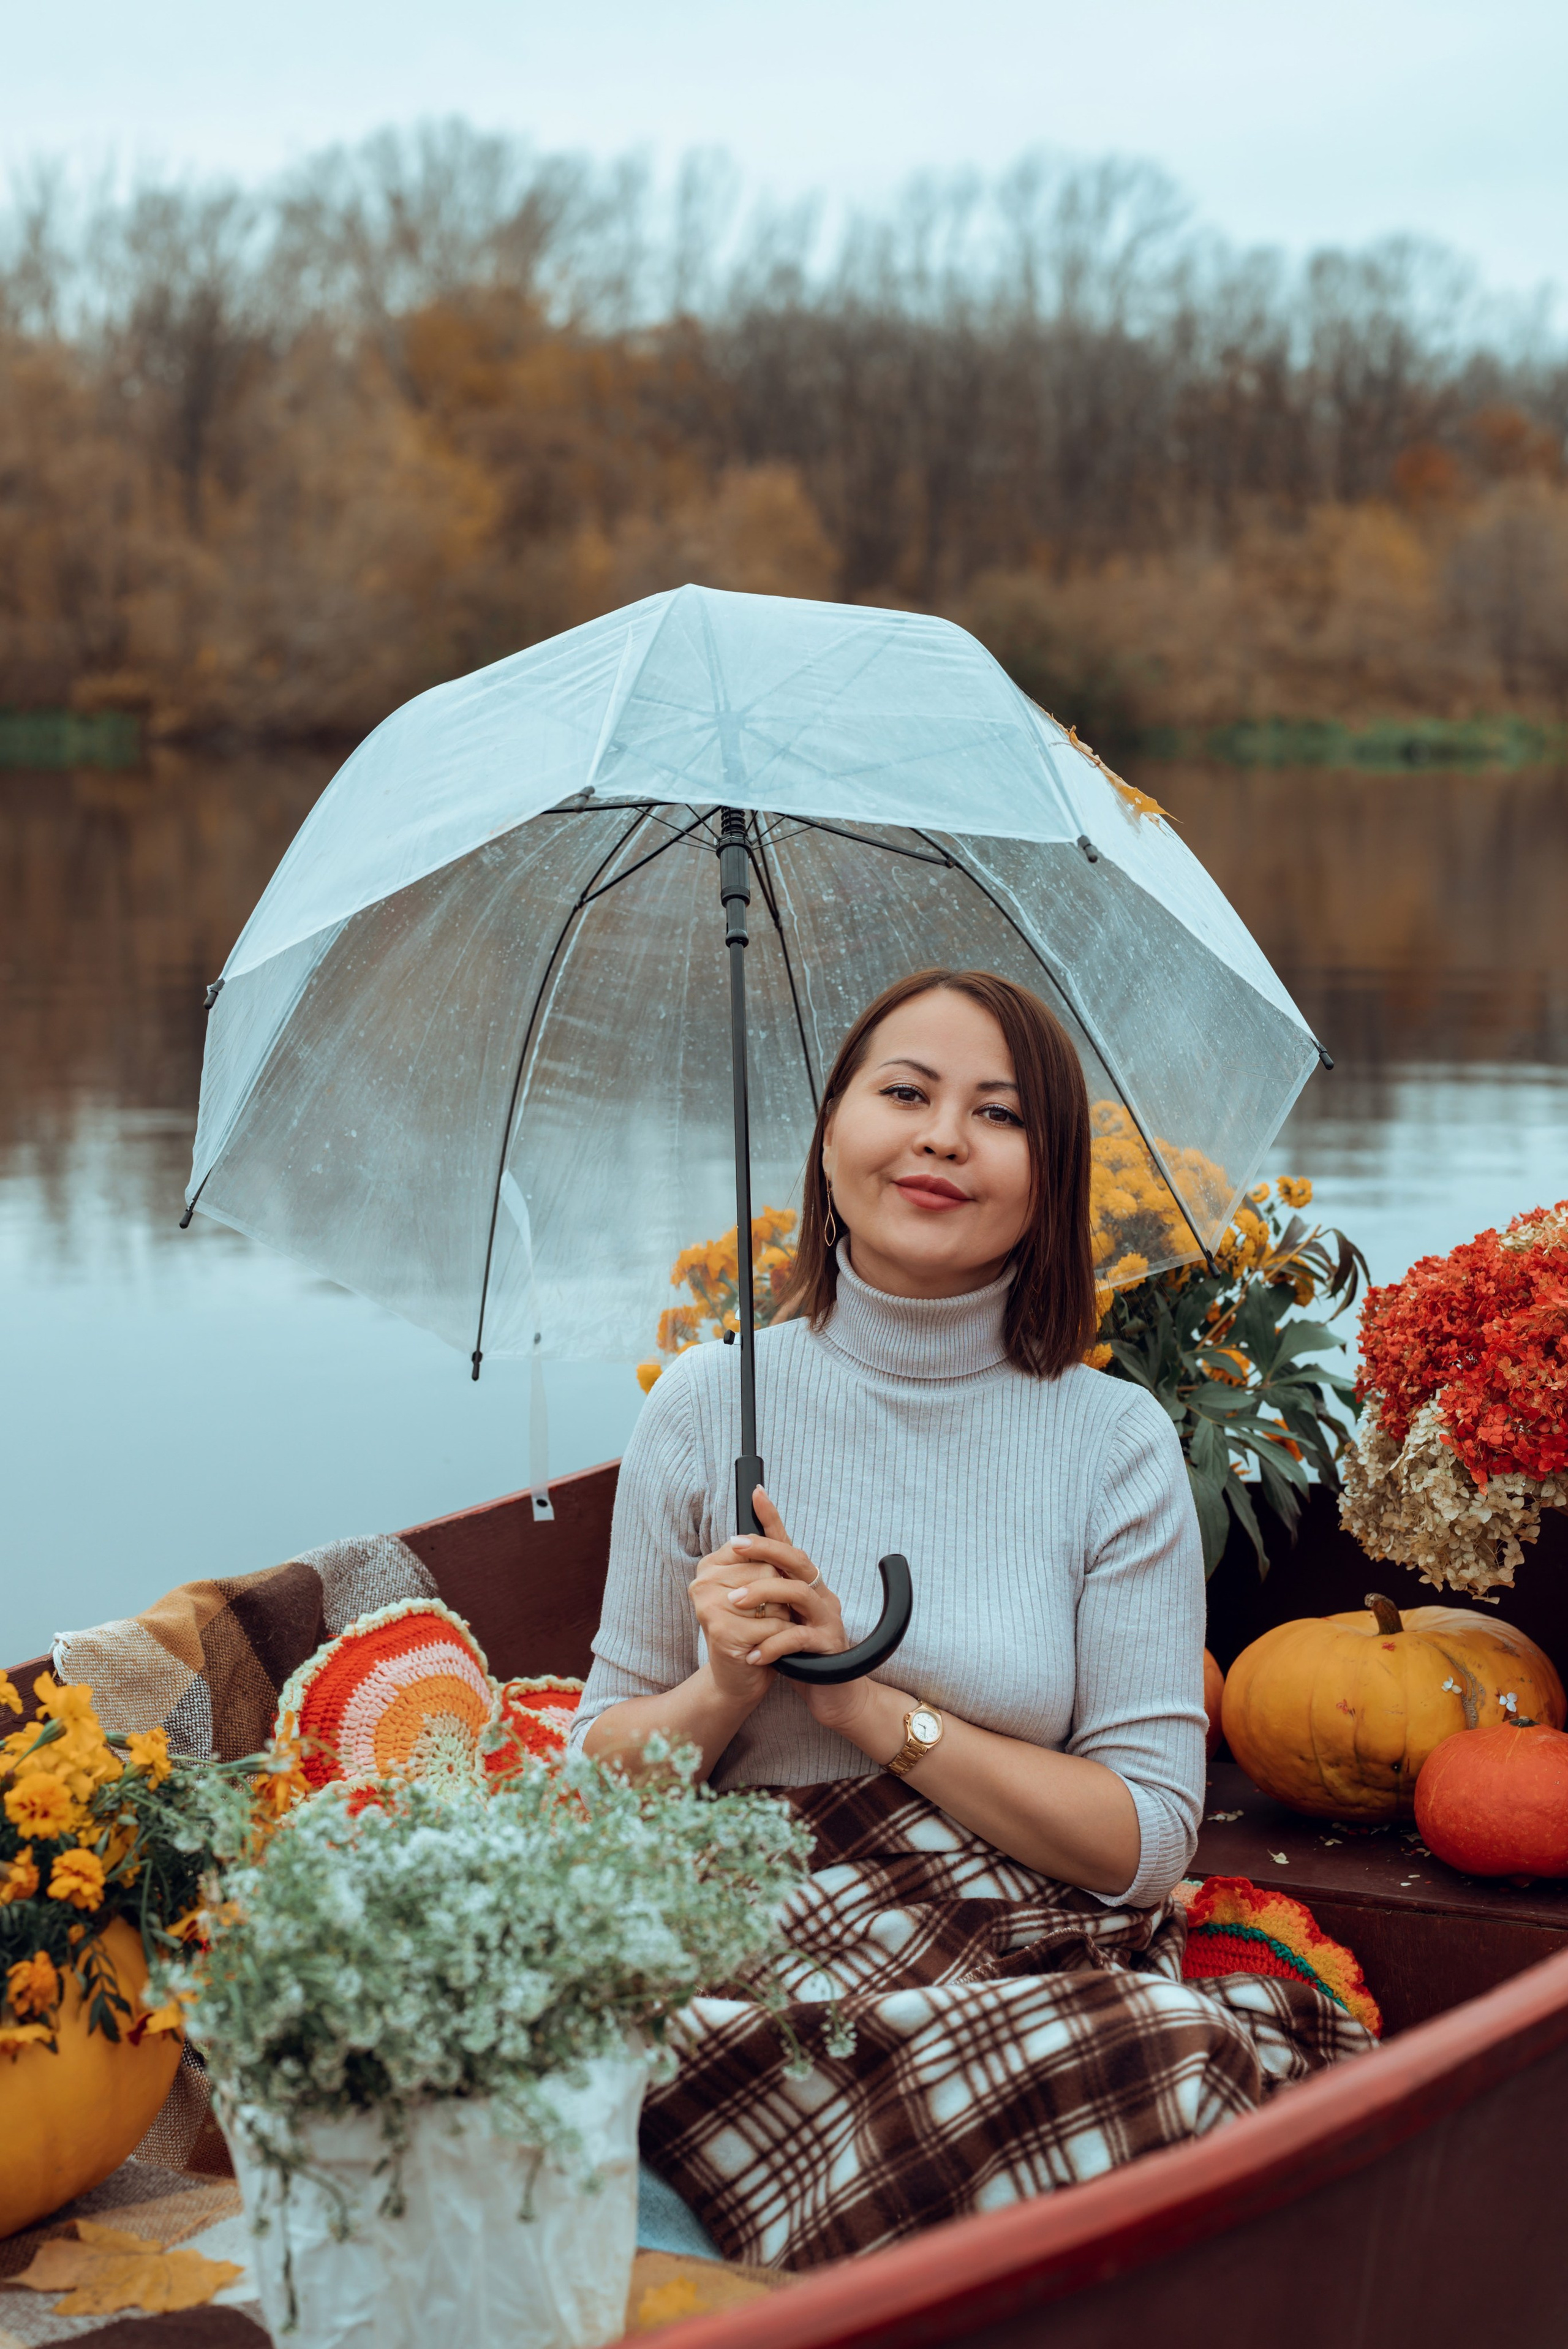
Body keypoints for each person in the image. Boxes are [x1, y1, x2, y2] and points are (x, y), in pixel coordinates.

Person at [573, 968, 1371, 2270]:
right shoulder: (707, 1406)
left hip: (1010, 1941)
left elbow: (1145, 1842)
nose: (941, 1135)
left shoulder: (1107, 1442)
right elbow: (590, 1795)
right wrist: (718, 1687)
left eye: (996, 1115)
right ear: (831, 1133)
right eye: (903, 1093)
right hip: (744, 1935)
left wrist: (863, 1706)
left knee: (1160, 2056)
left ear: (1047, 1183)